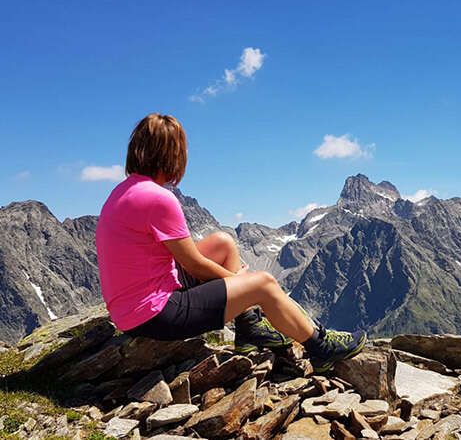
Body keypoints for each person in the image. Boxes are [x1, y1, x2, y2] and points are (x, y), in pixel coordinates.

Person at [95, 113, 366, 372]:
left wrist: (236, 284)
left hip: (129, 309)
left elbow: (184, 259)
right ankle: (321, 347)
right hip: (154, 314)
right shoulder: (158, 199)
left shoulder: (123, 192)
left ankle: (248, 328)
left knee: (222, 243)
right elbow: (194, 265)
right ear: (174, 155)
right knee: (263, 283)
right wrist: (243, 285)